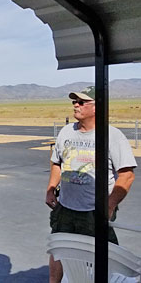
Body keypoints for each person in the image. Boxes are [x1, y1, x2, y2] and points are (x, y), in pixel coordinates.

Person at [45, 86, 137, 283]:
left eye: (81, 102)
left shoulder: (112, 136)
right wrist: (51, 189)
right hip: (65, 208)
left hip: (94, 212)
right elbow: (56, 163)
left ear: (97, 107)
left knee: (105, 257)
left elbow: (127, 175)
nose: (76, 106)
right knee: (59, 248)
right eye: (74, 102)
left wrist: (109, 205)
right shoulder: (66, 132)